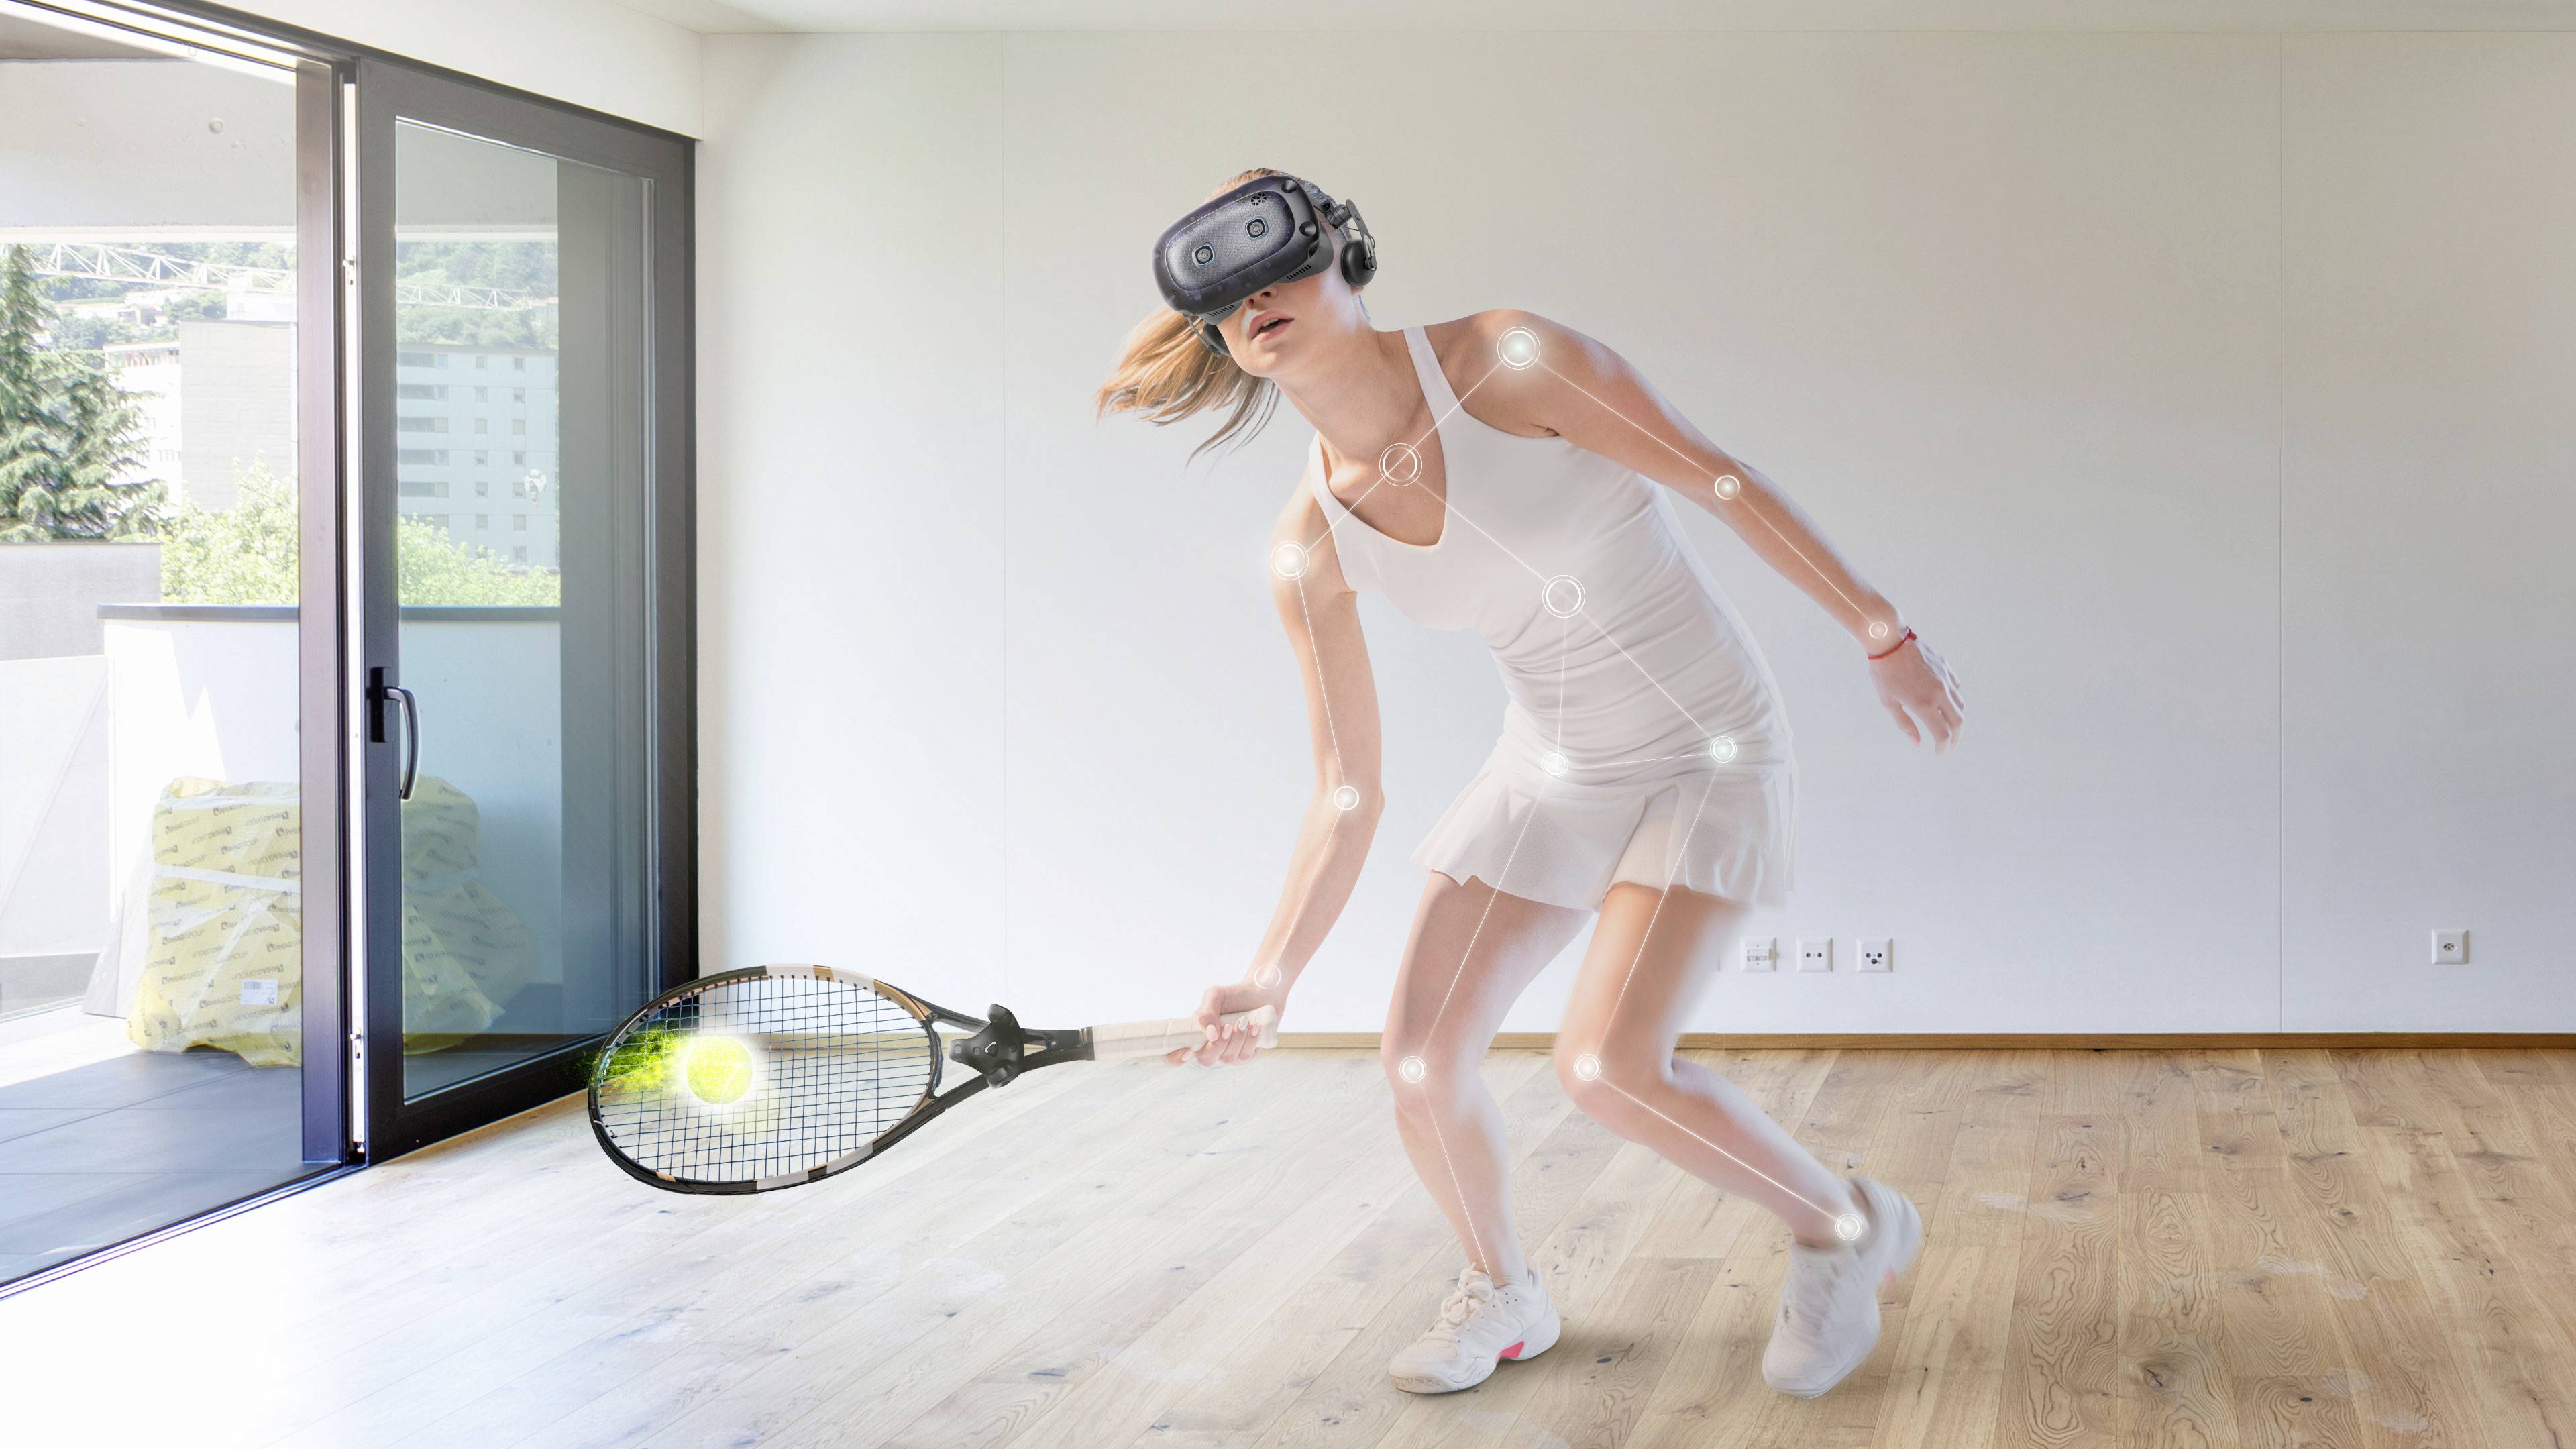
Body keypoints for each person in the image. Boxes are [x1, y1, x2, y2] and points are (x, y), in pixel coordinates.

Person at [1096, 168, 1965, 1399]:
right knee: (1416, 1060)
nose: (1256, 302)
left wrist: (1881, 632)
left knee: (1605, 1067)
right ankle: (1505, 1294)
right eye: (1225, 296)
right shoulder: (1309, 548)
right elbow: (1347, 790)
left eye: (1273, 259)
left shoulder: (1508, 363)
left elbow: (1715, 478)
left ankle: (1845, 1224)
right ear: (1217, 334)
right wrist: (1272, 974)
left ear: (1342, 249)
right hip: (1555, 764)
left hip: (1704, 741)